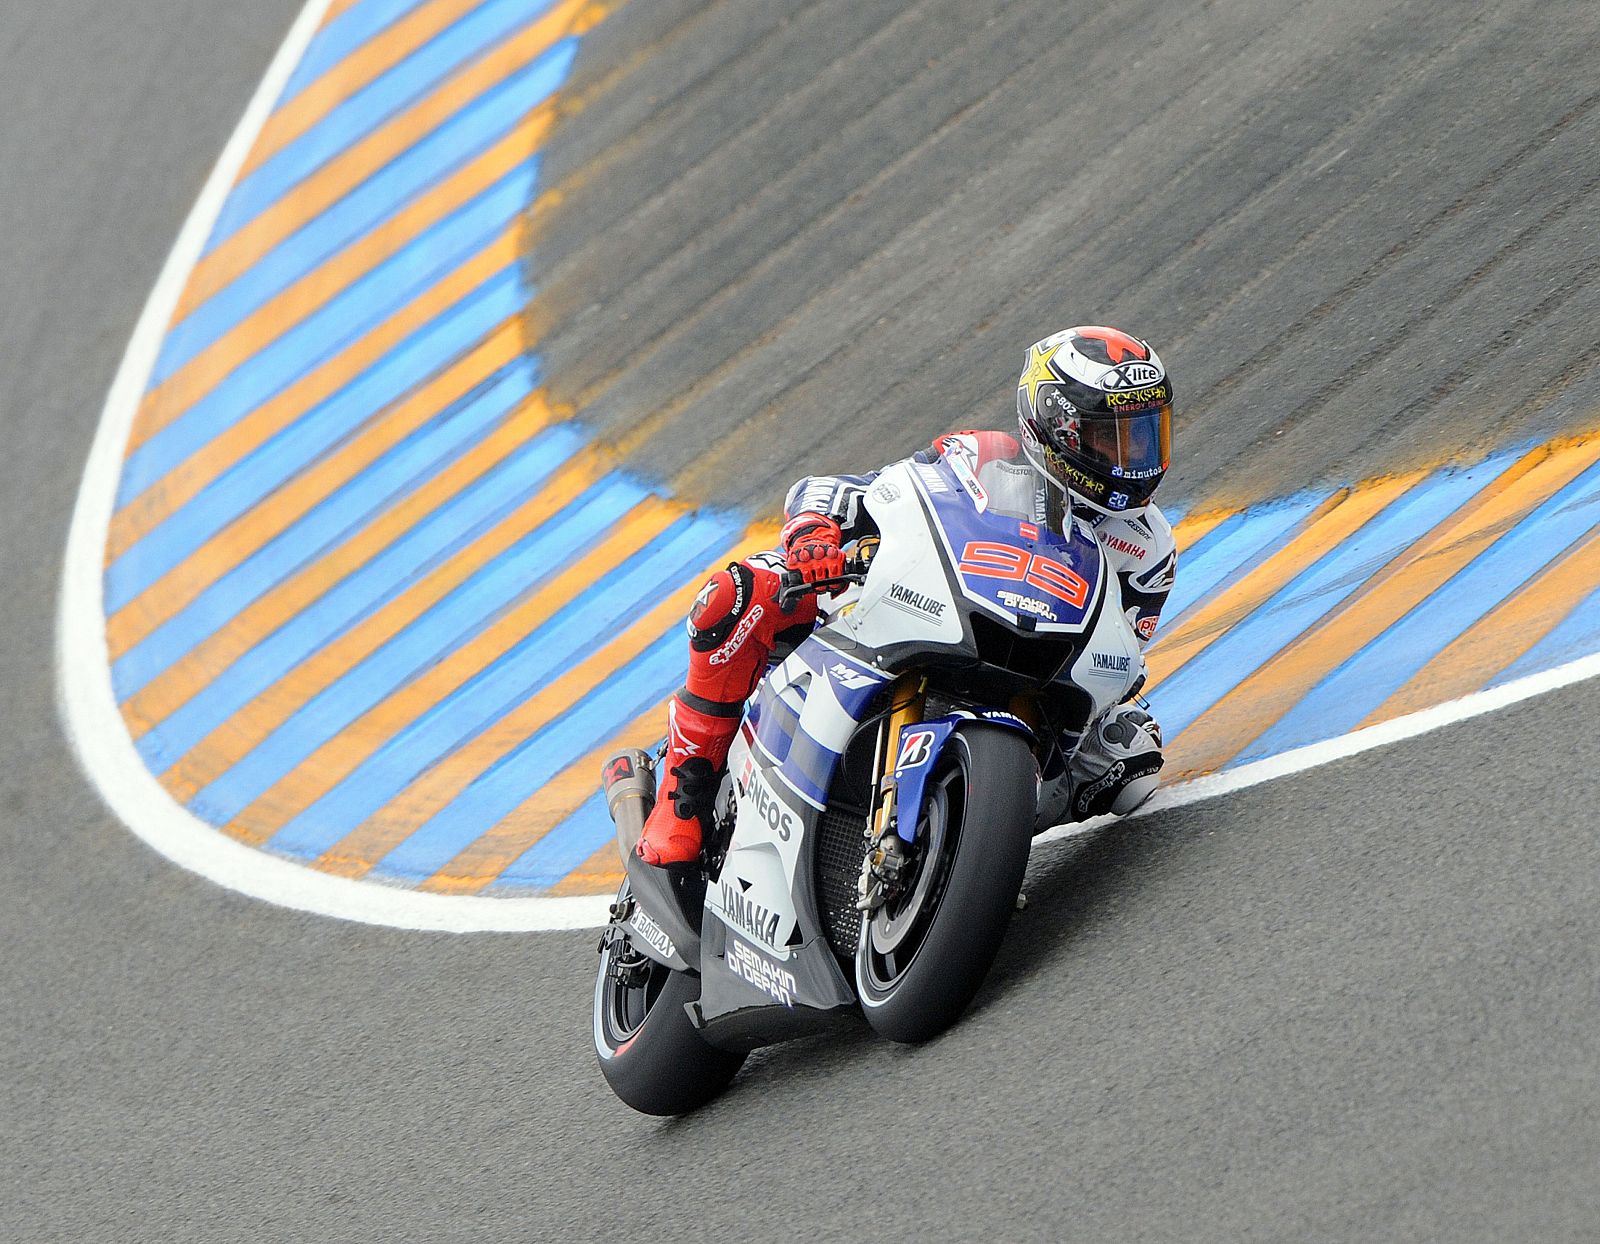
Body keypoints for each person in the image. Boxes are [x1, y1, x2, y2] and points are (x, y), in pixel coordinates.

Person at [634, 325, 1176, 867]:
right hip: (923, 612)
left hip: (1038, 674)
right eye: (1114, 437)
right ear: (1058, 427)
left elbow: (1121, 659)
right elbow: (850, 489)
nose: (1137, 456)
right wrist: (816, 537)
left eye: (1147, 434)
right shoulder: (980, 457)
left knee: (1131, 759)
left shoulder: (1148, 547)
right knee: (738, 594)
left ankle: (968, 843)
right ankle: (684, 796)